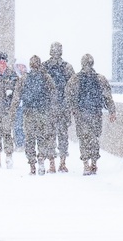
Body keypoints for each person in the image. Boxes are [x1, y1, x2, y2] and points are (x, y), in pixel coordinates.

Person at [64, 53, 117, 176]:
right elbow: (108, 96)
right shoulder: (100, 78)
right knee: (94, 137)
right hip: (95, 112)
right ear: (92, 63)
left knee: (84, 138)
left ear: (82, 63)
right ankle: (94, 162)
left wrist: (72, 109)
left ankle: (86, 164)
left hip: (81, 113)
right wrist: (112, 111)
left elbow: (68, 95)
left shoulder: (75, 79)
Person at [11, 55, 56, 175]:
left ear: (30, 65)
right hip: (42, 112)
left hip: (28, 112)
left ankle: (32, 165)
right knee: (41, 137)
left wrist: (12, 112)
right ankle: (41, 160)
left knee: (29, 139)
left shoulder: (24, 78)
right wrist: (51, 110)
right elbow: (53, 94)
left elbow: (16, 97)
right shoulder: (46, 77)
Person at [43, 41, 76, 173]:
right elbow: (73, 87)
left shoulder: (44, 66)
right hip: (63, 107)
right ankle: (62, 162)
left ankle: (51, 163)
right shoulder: (67, 67)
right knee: (63, 135)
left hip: (49, 107)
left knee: (50, 135)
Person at [12, 61, 28, 149]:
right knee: (17, 125)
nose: (21, 68)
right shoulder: (14, 77)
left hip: (26, 105)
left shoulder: (29, 77)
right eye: (19, 66)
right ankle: (19, 143)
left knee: (25, 125)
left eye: (22, 66)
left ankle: (25, 143)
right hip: (17, 105)